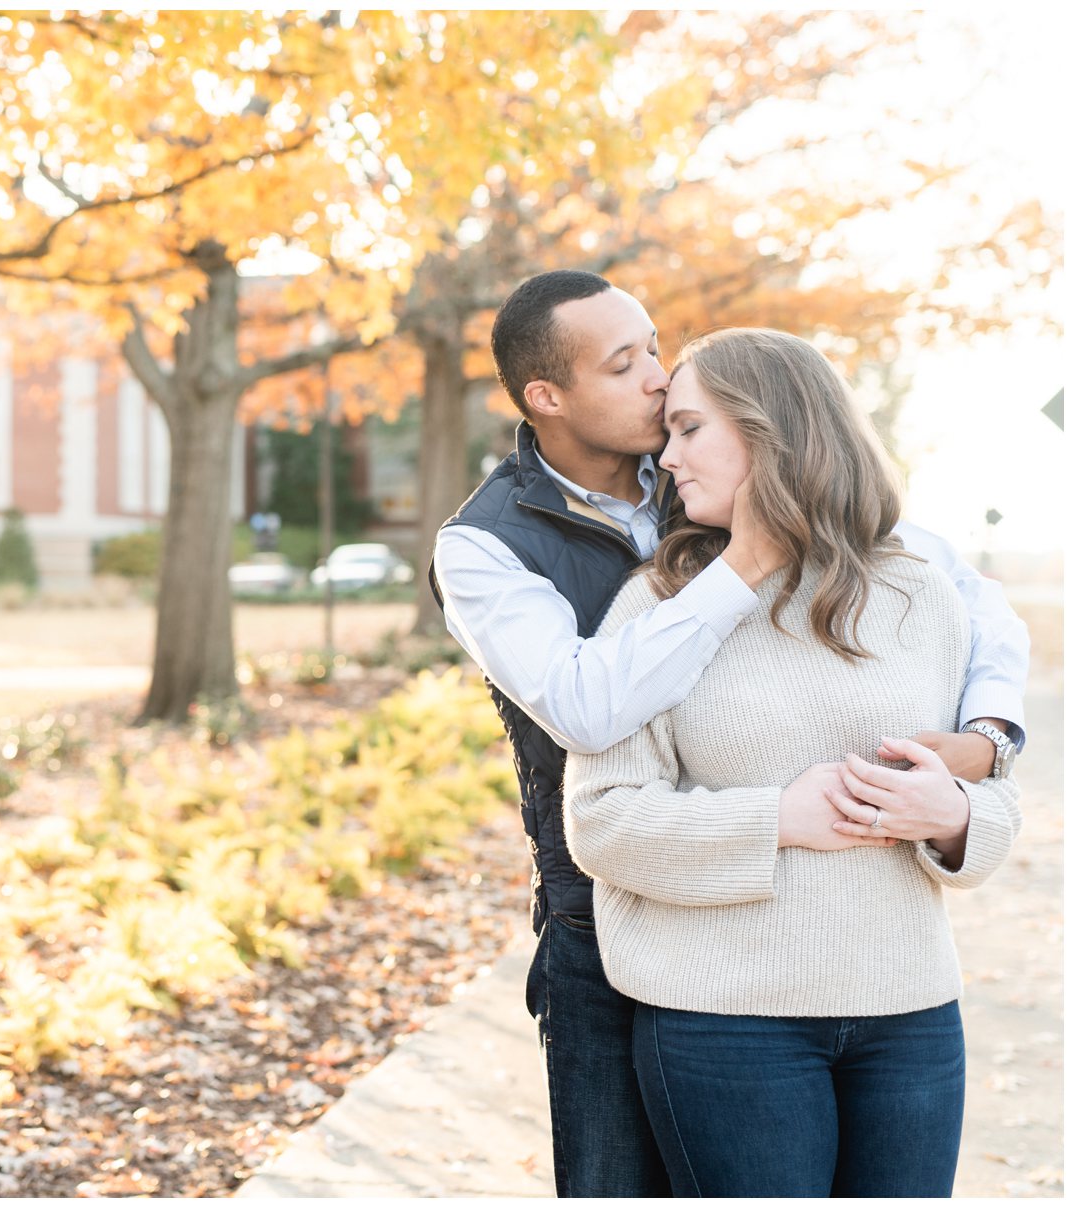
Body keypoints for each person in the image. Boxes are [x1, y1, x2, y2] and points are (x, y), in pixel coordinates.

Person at [428, 270, 1028, 1197]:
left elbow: (969, 607)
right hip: (609, 927)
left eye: (658, 353)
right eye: (626, 365)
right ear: (548, 397)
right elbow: (588, 708)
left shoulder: (704, 468)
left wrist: (985, 742)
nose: (660, 383)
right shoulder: (486, 545)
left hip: (882, 981)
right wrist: (746, 561)